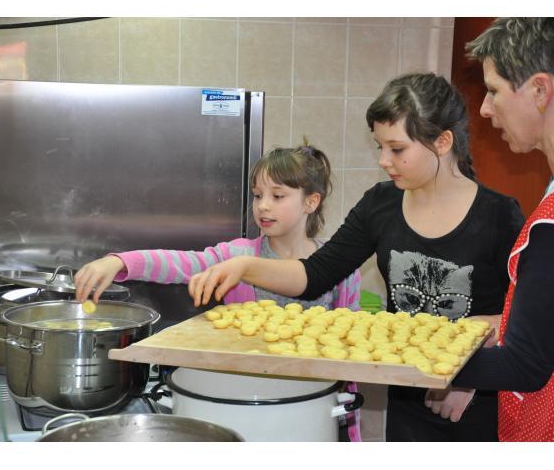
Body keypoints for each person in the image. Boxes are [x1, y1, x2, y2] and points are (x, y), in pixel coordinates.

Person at [187, 72, 526, 442]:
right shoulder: (380, 205)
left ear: (442, 142)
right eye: (380, 146)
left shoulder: (498, 215)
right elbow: (315, 275)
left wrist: (466, 379)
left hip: (481, 404)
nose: (383, 160)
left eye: (396, 149)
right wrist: (245, 266)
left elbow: (525, 316)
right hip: (407, 399)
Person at [73, 143, 363, 441]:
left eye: (277, 196)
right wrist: (121, 262)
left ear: (310, 202)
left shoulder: (340, 267)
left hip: (311, 410)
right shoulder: (236, 257)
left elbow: (351, 351)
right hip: (242, 403)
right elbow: (180, 263)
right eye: (258, 195)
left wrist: (350, 432)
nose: (263, 206)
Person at [445, 18, 554, 442]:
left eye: (493, 90)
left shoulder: (549, 223)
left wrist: (407, 359)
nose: (485, 109)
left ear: (540, 91)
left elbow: (524, 366)